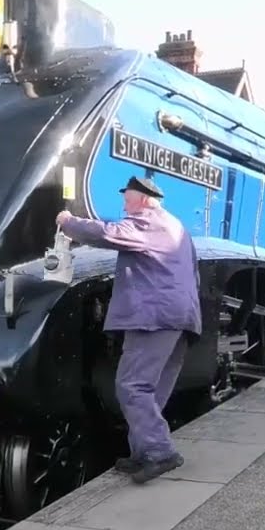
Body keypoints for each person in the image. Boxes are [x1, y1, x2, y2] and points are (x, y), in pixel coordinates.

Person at [56, 176, 201, 482]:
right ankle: (142, 453)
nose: (124, 206)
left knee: (131, 386)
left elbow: (108, 233)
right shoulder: (178, 227)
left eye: (128, 199)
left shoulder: (149, 222)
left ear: (145, 200)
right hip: (181, 317)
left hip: (153, 316)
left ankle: (160, 452)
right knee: (152, 391)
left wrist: (69, 223)